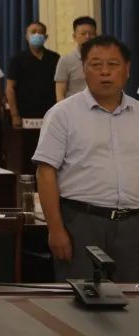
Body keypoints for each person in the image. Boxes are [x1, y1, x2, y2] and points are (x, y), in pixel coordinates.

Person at [34, 35, 139, 282]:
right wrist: (55, 230)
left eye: (113, 64)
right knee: (82, 299)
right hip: (81, 223)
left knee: (133, 300)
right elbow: (45, 172)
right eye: (96, 65)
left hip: (133, 225)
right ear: (83, 69)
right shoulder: (62, 114)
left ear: (127, 69)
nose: (105, 72)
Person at [6, 21, 61, 126]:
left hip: (50, 113)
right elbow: (10, 88)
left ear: (45, 37)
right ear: (27, 36)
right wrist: (14, 115)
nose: (37, 35)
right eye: (33, 32)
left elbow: (60, 86)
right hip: (25, 114)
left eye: (40, 32)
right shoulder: (17, 60)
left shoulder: (55, 58)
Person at [55, 17, 98, 102]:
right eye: (83, 34)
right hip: (73, 107)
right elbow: (60, 93)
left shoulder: (102, 59)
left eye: (91, 34)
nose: (88, 37)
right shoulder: (65, 61)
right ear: (74, 36)